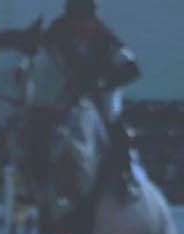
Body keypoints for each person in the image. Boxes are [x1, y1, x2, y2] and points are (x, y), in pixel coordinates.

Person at [42, 0, 141, 199]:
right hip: (68, 89)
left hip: (101, 89)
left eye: (87, 20)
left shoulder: (106, 39)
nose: (83, 27)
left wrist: (104, 83)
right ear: (69, 20)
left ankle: (124, 174)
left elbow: (133, 69)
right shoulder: (55, 34)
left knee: (112, 119)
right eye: (78, 21)